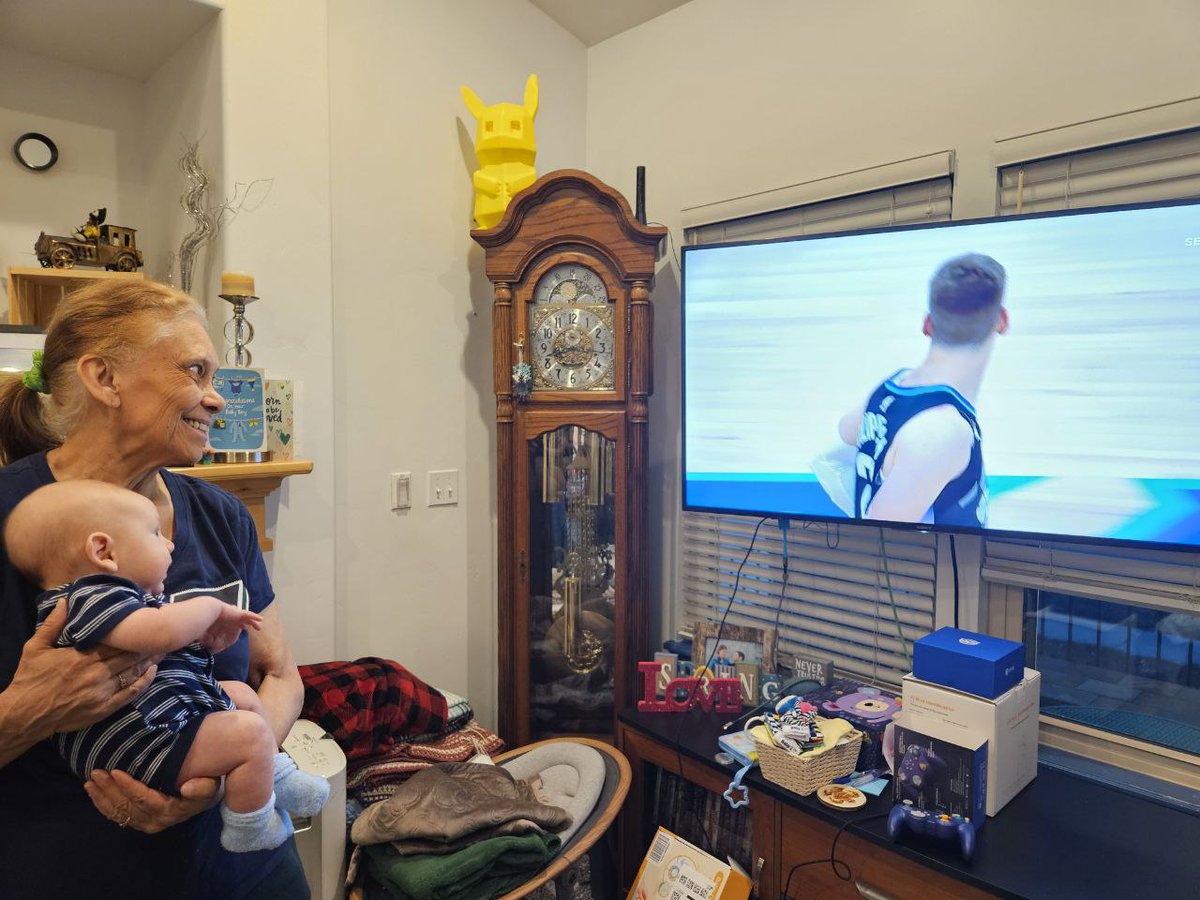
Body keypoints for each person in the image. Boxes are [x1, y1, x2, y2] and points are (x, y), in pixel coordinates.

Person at [0, 280, 311, 898]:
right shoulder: (13, 519)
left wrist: (224, 772)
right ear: (103, 378)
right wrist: (27, 712)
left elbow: (281, 677)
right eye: (195, 371)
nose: (216, 400)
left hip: (243, 866)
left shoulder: (220, 514)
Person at [4, 479, 329, 853]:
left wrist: (203, 640)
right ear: (103, 550)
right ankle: (250, 828)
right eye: (155, 533)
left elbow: (170, 643)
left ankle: (274, 775)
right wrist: (209, 608)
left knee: (241, 696)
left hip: (159, 717)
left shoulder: (123, 595)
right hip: (139, 736)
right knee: (250, 732)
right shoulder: (89, 595)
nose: (170, 543)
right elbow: (157, 634)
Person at [838, 253, 1008, 527]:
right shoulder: (942, 432)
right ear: (1002, 320)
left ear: (927, 324)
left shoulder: (894, 385)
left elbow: (846, 430)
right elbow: (879, 534)